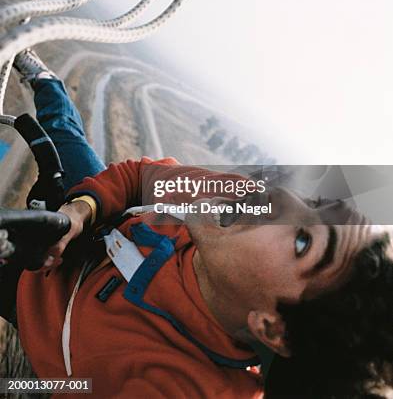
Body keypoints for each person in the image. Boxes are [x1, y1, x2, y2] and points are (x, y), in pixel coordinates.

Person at [7, 49, 393, 398]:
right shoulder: (242, 201)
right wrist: (82, 210)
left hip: (28, 305)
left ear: (273, 329)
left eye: (302, 243)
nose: (282, 198)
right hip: (88, 225)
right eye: (316, 202)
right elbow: (139, 178)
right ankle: (47, 82)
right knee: (64, 135)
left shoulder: (181, 387)